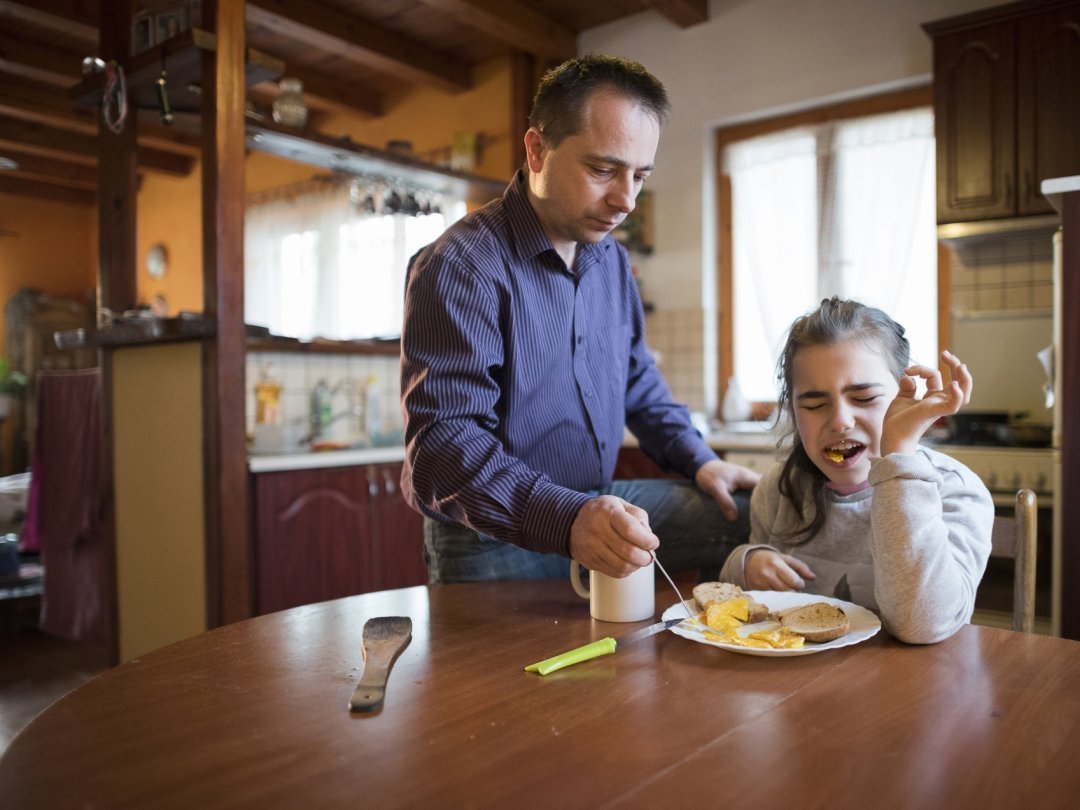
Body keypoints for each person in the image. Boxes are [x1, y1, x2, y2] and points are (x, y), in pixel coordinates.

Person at [400, 54, 759, 584]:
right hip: (489, 537)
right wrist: (567, 519)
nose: (626, 200)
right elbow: (443, 449)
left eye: (639, 176)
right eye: (603, 169)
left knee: (753, 513)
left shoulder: (610, 258)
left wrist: (701, 460)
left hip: (594, 504)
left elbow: (637, 379)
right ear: (537, 149)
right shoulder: (460, 265)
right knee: (507, 671)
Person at [719, 297, 994, 643]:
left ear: (905, 395)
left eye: (864, 399)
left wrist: (900, 456)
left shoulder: (956, 490)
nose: (839, 421)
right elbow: (756, 610)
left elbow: (922, 625)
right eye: (815, 404)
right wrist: (747, 562)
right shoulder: (780, 488)